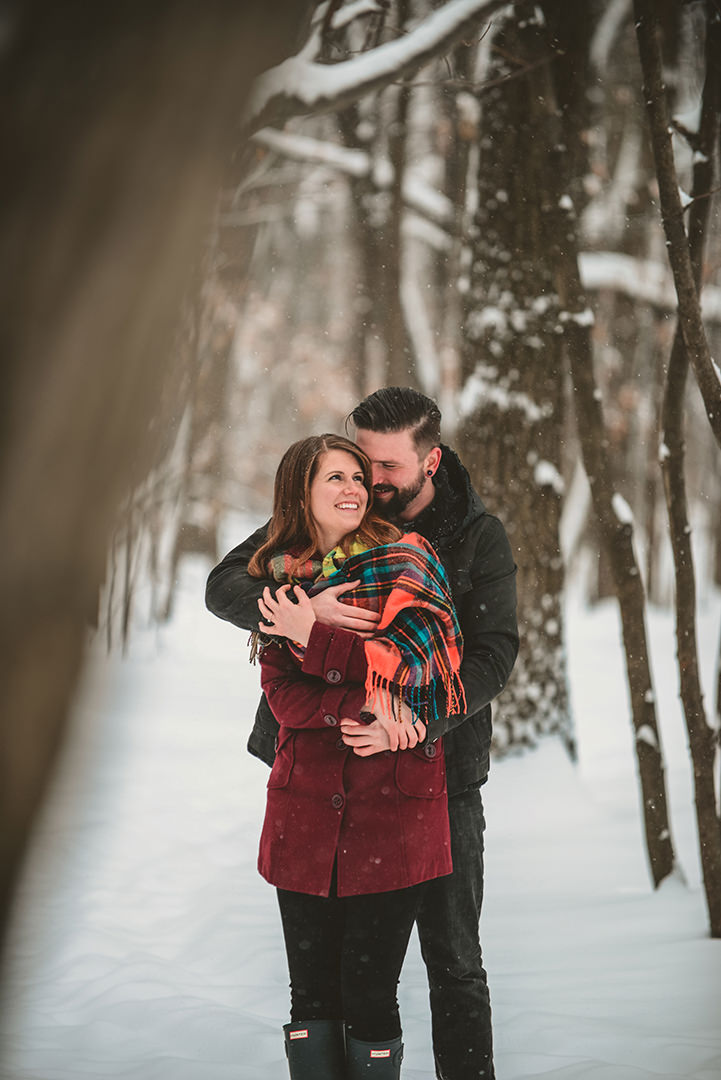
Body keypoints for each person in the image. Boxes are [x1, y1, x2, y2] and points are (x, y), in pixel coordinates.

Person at [206, 389, 519, 1080]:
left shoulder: (471, 534)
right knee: (324, 981)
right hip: (318, 772)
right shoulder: (323, 517)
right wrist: (291, 608)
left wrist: (417, 720)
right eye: (355, 463)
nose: (367, 482)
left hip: (440, 770)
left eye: (384, 467)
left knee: (454, 963)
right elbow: (225, 582)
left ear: (429, 459)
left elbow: (492, 656)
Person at [241, 432, 467, 1080]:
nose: (351, 489)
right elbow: (284, 699)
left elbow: (430, 673)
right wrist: (360, 700)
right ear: (300, 493)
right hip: (304, 817)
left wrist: (313, 638)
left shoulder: (408, 560)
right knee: (310, 998)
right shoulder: (283, 583)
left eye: (357, 477)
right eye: (332, 477)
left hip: (392, 815)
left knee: (370, 996)